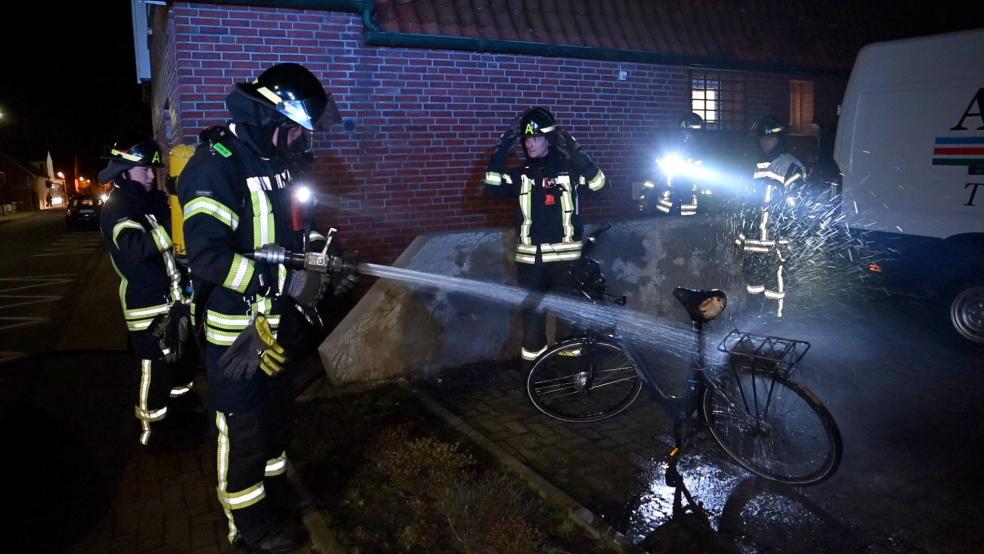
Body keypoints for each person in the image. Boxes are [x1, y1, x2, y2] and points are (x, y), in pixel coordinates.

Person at [179, 62, 350, 552]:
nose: (303, 141)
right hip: (238, 331)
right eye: (297, 131)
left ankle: (273, 492)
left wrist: (324, 261)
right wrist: (284, 278)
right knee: (243, 427)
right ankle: (247, 524)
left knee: (276, 418)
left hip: (281, 323)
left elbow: (302, 227)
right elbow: (209, 256)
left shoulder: (282, 163)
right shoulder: (215, 166)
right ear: (273, 122)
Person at [98, 139, 198, 451]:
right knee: (155, 372)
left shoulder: (152, 202)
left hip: (175, 304)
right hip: (147, 310)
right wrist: (176, 224)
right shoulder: (116, 209)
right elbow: (135, 249)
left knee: (182, 367)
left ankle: (180, 417)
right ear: (125, 173)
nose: (151, 176)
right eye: (144, 170)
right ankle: (153, 434)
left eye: (153, 170)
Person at [484, 106, 606, 363]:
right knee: (532, 322)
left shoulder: (569, 172)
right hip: (531, 264)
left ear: (548, 140)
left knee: (567, 320)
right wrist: (501, 151)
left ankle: (571, 372)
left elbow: (600, 186)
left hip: (566, 262)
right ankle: (535, 373)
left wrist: (578, 154)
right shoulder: (521, 175)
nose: (530, 143)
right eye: (527, 139)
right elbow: (491, 188)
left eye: (536, 138)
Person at [735, 116, 806, 318]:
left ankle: (777, 318)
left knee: (775, 281)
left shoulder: (790, 166)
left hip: (776, 238)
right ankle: (753, 315)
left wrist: (781, 196)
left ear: (779, 139)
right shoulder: (753, 164)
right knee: (752, 280)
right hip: (752, 238)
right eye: (762, 138)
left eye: (770, 138)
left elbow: (798, 205)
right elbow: (743, 201)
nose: (765, 142)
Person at [640, 112, 706, 216]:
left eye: (694, 133)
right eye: (687, 132)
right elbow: (654, 174)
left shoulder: (702, 149)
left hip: (690, 201)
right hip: (665, 204)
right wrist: (645, 196)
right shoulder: (671, 145)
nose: (689, 136)